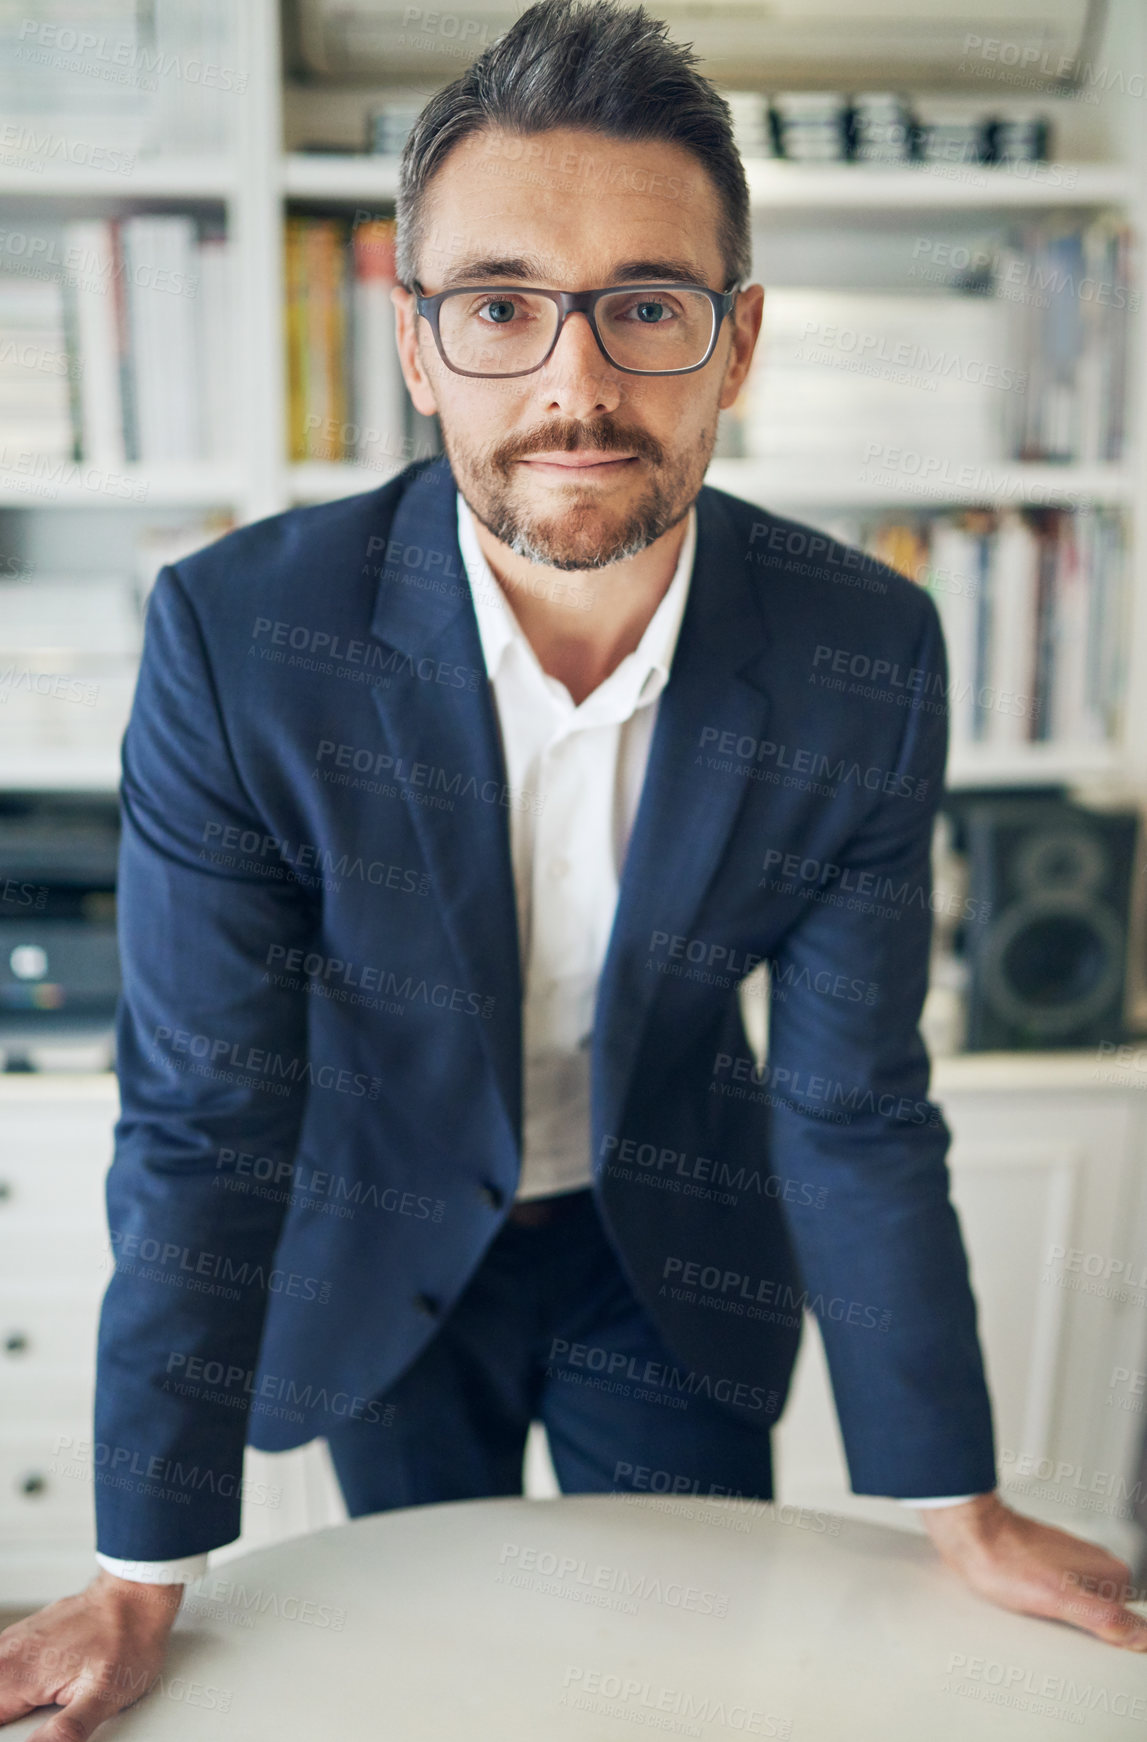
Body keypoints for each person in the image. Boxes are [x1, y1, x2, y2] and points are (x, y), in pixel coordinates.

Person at [3, 0, 1144, 1733]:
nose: (575, 383)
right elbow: (206, 1114)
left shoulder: (869, 651)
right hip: (375, 1237)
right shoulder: (240, 640)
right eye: (502, 305)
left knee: (681, 1683)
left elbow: (854, 1105)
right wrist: (140, 1566)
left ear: (739, 340)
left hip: (672, 1247)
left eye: (648, 307)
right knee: (438, 1672)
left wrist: (956, 1499)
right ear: (417, 341)